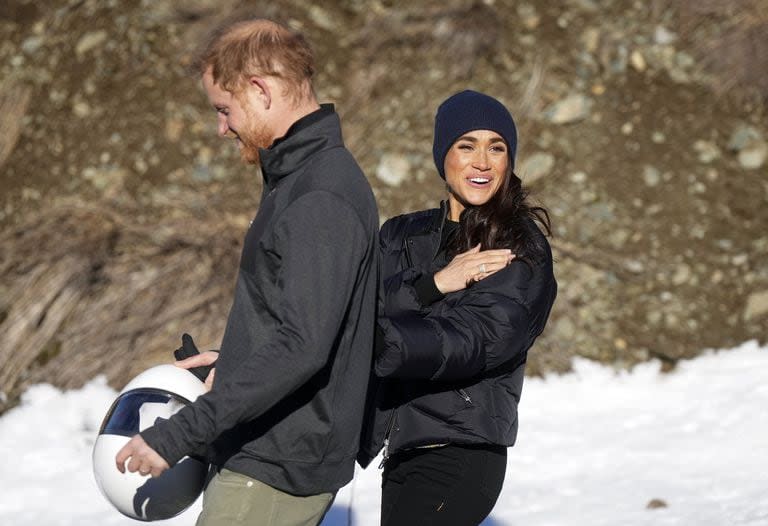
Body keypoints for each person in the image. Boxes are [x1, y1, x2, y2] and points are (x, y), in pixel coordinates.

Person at [115, 18, 379, 526]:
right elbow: (301, 317)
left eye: (223, 109)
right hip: (266, 450)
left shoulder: (319, 194)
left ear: (260, 90)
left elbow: (302, 345)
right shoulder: (298, 178)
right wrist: (237, 354)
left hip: (276, 464)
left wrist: (178, 433)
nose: (222, 127)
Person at [358, 90, 557, 525]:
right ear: (442, 155)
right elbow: (354, 306)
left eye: (496, 147)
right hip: (402, 450)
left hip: (463, 451)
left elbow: (479, 338)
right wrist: (433, 285)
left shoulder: (518, 245)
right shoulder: (400, 235)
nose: (482, 162)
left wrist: (378, 341)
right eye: (467, 145)